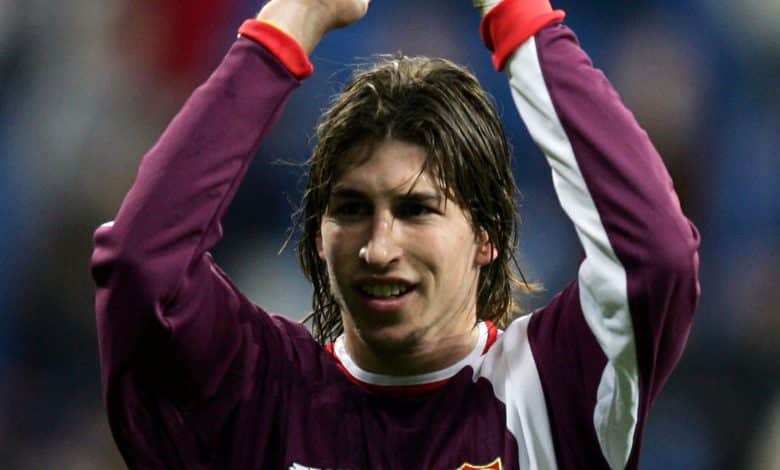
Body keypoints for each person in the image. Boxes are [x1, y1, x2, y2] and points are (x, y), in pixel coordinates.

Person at [90, 0, 701, 468]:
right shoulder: (259, 392)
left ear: (487, 234)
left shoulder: (555, 389)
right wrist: (291, 20)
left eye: (417, 210)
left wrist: (521, 18)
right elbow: (141, 266)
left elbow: (655, 254)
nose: (378, 249)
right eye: (351, 208)